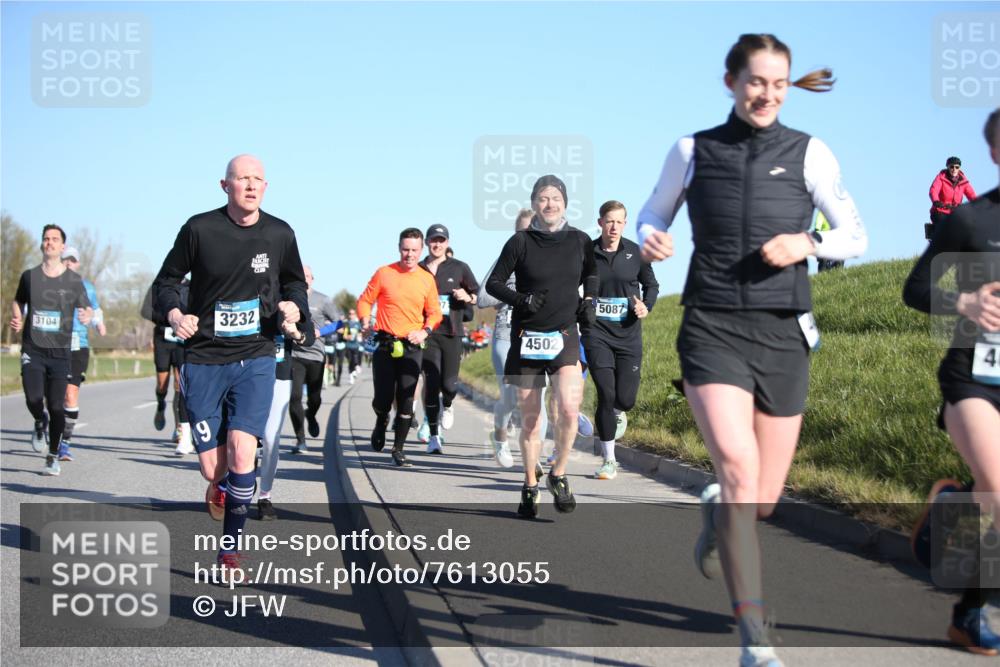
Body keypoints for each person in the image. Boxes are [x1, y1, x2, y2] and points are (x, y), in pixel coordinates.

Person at [636, 34, 867, 666]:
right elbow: (652, 212)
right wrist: (652, 237)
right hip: (712, 328)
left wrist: (807, 243)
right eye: (757, 81)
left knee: (760, 501)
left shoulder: (810, 152)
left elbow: (855, 234)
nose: (768, 94)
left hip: (783, 334)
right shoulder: (693, 150)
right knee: (738, 471)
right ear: (731, 82)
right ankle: (755, 639)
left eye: (780, 84)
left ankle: (720, 514)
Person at [153, 154, 307, 582]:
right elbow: (165, 282)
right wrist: (175, 315)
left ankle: (229, 552)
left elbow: (294, 281)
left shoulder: (280, 233)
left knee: (243, 449)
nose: (251, 185)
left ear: (266, 186)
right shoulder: (199, 229)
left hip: (256, 354)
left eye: (258, 179)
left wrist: (294, 306)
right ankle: (220, 485)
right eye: (243, 178)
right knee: (213, 468)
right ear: (225, 186)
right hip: (204, 357)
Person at [904, 108, 1000, 655]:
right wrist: (963, 301)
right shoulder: (970, 221)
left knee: (989, 495)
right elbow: (915, 289)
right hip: (975, 379)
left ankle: (956, 507)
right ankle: (973, 610)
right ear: (994, 151)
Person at [486, 174, 599, 518]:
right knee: (532, 420)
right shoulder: (520, 242)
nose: (550, 204)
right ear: (534, 203)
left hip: (564, 334)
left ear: (565, 203)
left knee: (569, 409)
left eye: (556, 198)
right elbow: (494, 283)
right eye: (543, 198)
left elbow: (592, 274)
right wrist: (521, 299)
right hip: (527, 337)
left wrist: (590, 300)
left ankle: (558, 474)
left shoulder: (580, 240)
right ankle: (530, 484)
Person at [581, 200, 659, 480]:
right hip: (596, 332)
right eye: (609, 221)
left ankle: (618, 411)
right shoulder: (587, 252)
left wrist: (646, 306)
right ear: (600, 222)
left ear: (625, 224)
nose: (614, 226)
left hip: (628, 335)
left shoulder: (636, 253)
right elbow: (570, 284)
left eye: (619, 221)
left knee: (625, 399)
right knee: (606, 392)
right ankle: (609, 460)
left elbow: (651, 285)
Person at [10, 225, 93, 476]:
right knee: (34, 399)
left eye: (55, 239)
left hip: (60, 353)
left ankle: (53, 456)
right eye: (46, 238)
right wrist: (17, 317)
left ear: (62, 246)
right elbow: (18, 301)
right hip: (33, 349)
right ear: (42, 244)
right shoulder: (29, 276)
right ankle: (39, 421)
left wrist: (87, 315)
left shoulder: (73, 281)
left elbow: (87, 307)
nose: (50, 242)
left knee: (57, 406)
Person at [357, 228, 442, 467]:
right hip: (385, 343)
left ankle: (398, 449)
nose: (410, 255)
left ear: (421, 250)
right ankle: (381, 420)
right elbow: (365, 300)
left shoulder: (426, 279)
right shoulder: (384, 273)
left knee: (406, 396)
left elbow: (435, 313)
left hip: (412, 345)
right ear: (399, 248)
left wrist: (424, 331)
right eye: (406, 249)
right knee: (383, 398)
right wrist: (365, 321)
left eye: (414, 250)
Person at [478, 209, 551, 469]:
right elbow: (482, 298)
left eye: (532, 230)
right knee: (510, 396)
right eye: (522, 231)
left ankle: (535, 456)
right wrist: (516, 294)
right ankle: (499, 437)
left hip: (536, 335)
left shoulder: (550, 258)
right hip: (506, 334)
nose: (526, 235)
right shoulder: (506, 258)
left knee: (538, 397)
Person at [416, 224, 479, 454]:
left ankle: (449, 404)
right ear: (427, 242)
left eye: (441, 240)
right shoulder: (418, 269)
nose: (437, 244)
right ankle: (434, 436)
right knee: (431, 384)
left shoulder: (459, 267)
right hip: (428, 333)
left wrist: (467, 296)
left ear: (447, 243)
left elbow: (478, 295)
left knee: (449, 385)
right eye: (433, 240)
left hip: (452, 332)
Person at [257, 311, 314, 520]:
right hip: (244, 371)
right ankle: (240, 479)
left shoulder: (291, 300)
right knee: (243, 436)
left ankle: (265, 496)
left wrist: (296, 333)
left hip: (280, 372)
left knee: (271, 439)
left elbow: (309, 335)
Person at [58, 246, 107, 462]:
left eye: (72, 260)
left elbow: (95, 310)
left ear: (77, 263)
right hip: (52, 345)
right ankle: (44, 423)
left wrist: (98, 323)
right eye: (65, 259)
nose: (69, 263)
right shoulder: (48, 284)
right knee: (52, 397)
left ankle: (64, 444)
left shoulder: (87, 286)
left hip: (79, 344)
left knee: (70, 394)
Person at [288, 265, 338, 454]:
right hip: (295, 354)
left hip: (316, 355)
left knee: (314, 398)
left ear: (312, 279)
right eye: (301, 276)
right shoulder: (289, 299)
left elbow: (339, 322)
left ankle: (311, 414)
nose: (305, 279)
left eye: (307, 276)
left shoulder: (323, 299)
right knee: (294, 397)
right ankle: (300, 439)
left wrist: (320, 332)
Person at [141, 276, 193, 454]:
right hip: (162, 339)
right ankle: (160, 404)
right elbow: (145, 311)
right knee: (162, 384)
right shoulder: (158, 285)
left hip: (182, 339)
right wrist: (168, 318)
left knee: (180, 384)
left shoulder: (191, 286)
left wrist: (184, 320)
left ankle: (179, 427)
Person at [929, 156, 977, 228]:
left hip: (955, 212)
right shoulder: (941, 178)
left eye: (957, 167)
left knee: (966, 225)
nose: (954, 169)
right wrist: (936, 201)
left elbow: (972, 195)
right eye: (952, 167)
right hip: (940, 211)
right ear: (947, 167)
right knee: (945, 225)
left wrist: (978, 204)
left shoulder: (963, 181)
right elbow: (934, 190)